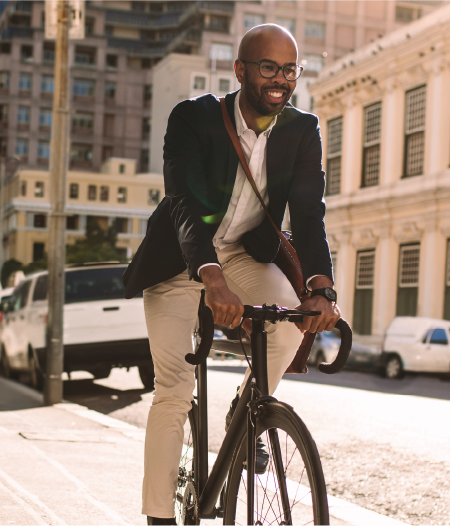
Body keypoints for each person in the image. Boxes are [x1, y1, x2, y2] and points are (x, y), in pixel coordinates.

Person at [121, 25, 341, 525]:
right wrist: (210, 276)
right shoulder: (193, 118)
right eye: (269, 67)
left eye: (290, 70)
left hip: (243, 253)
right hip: (181, 258)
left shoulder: (302, 130)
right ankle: (159, 518)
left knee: (290, 325)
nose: (280, 80)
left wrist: (321, 287)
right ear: (240, 69)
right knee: (173, 392)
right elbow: (184, 204)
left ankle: (246, 414)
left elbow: (309, 215)